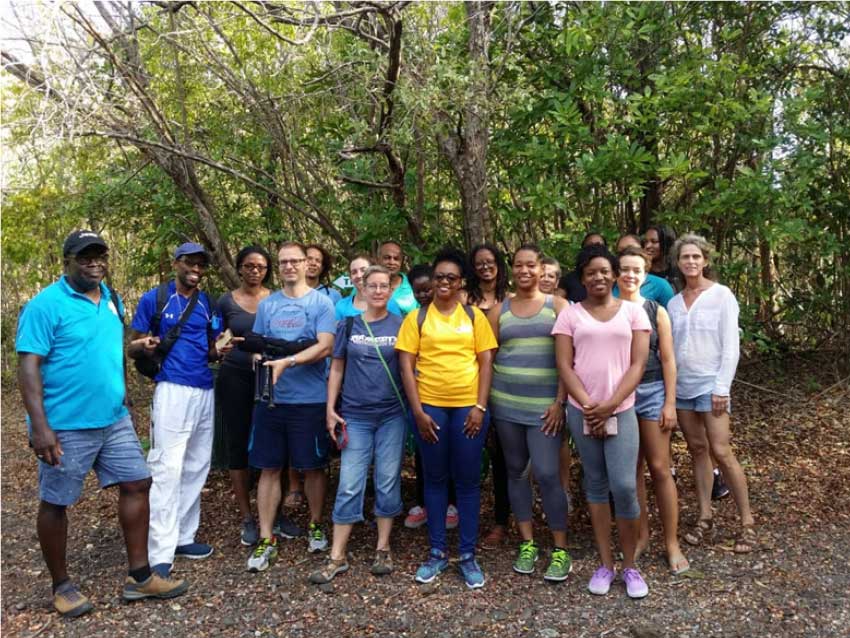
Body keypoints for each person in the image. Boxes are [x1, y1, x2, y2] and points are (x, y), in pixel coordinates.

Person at [16, 230, 188, 617]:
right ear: (67, 261)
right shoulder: (45, 306)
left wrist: (124, 391)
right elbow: (28, 366)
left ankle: (140, 577)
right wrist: (40, 427)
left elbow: (111, 348)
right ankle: (62, 586)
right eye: (85, 257)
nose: (94, 263)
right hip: (66, 423)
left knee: (138, 482)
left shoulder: (111, 298)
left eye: (100, 256)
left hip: (113, 418)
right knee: (57, 501)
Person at [553, 243, 652, 599]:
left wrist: (609, 405)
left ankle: (630, 566)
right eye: (590, 272)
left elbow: (638, 364)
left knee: (624, 487)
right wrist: (588, 404)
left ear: (614, 276)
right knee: (595, 485)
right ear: (582, 278)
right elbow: (564, 365)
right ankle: (605, 564)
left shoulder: (634, 313)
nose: (598, 277)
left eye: (604, 271)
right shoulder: (570, 315)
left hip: (621, 410)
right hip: (582, 410)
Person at [397, 247, 498, 589]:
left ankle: (467, 555)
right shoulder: (417, 318)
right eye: (439, 276)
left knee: (468, 482)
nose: (443, 282)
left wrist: (480, 407)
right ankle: (437, 552)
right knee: (435, 479)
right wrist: (418, 412)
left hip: (469, 409)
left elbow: (486, 361)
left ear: (461, 282)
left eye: (451, 278)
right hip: (430, 408)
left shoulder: (474, 316)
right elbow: (406, 367)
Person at [129, 242, 229, 576]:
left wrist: (222, 350)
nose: (196, 269)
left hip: (204, 388)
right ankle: (159, 551)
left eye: (201, 264)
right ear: (176, 264)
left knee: (197, 464)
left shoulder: (207, 303)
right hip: (172, 388)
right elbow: (133, 346)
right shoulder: (155, 298)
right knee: (166, 467)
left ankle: (184, 536)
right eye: (190, 263)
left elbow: (211, 348)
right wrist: (144, 345)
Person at [309, 266, 407, 583]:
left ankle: (383, 547)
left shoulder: (402, 324)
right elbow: (337, 367)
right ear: (361, 288)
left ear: (391, 290)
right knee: (350, 482)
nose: (378, 291)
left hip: (392, 414)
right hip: (355, 415)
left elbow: (409, 369)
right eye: (372, 286)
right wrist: (330, 408)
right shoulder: (349, 323)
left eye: (384, 286)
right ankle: (337, 555)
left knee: (387, 479)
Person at [245, 242, 336, 572]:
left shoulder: (321, 303)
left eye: (294, 261)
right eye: (283, 262)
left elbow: (325, 346)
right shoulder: (268, 305)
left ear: (305, 263)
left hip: (310, 399)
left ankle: (315, 524)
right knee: (269, 467)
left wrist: (289, 361)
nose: (289, 266)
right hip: (272, 400)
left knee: (313, 466)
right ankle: (266, 537)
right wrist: (259, 358)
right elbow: (258, 343)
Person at [489, 245, 572, 582]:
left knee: (548, 473)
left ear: (541, 268)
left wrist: (560, 402)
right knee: (515, 472)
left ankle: (560, 548)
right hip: (506, 404)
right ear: (512, 269)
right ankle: (527, 543)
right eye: (518, 265)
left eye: (530, 265)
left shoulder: (559, 307)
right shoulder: (499, 310)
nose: (524, 271)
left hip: (545, 409)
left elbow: (568, 360)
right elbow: (489, 358)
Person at [668, 234, 756, 553]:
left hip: (711, 385)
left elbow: (731, 346)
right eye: (685, 257)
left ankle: (747, 522)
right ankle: (705, 517)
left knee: (721, 449)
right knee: (697, 449)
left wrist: (722, 387)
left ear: (705, 260)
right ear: (678, 262)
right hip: (683, 388)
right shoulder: (674, 303)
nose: (691, 261)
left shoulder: (722, 295)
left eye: (696, 256)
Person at [218, 245, 298, 547]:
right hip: (235, 377)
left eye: (261, 267)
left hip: (271, 377)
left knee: (275, 444)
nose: (255, 271)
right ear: (239, 268)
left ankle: (276, 513)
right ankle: (248, 517)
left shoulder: (277, 300)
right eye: (249, 266)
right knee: (238, 445)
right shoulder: (226, 301)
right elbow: (217, 338)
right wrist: (220, 345)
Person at [616, 246, 689, 574]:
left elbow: (669, 359)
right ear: (616, 273)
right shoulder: (610, 309)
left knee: (660, 468)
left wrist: (670, 402)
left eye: (636, 270)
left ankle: (671, 542)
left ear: (645, 275)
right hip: (621, 396)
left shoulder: (655, 310)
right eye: (624, 269)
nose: (630, 275)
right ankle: (641, 535)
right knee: (631, 472)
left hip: (652, 392)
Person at [404, 264, 460, 531]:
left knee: (451, 452)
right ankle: (425, 504)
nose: (424, 294)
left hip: (453, 397)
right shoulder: (414, 318)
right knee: (424, 453)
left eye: (427, 289)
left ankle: (451, 504)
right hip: (421, 396)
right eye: (418, 291)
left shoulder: (460, 314)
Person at [466, 244, 512, 549]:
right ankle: (464, 517)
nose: (485, 267)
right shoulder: (463, 300)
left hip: (504, 385)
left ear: (499, 264)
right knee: (468, 453)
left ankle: (501, 521)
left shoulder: (510, 300)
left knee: (502, 457)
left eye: (490, 262)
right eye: (479, 263)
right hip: (468, 384)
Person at [612, 234, 674, 307]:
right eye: (622, 251)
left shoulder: (661, 285)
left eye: (632, 249)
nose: (628, 253)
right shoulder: (610, 284)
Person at [563, 232, 607, 303]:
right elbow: (556, 302)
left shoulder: (617, 277)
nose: (595, 248)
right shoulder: (569, 279)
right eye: (590, 245)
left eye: (598, 244)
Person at [378, 240, 419, 315]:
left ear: (401, 261)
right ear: (378, 259)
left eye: (396, 259)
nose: (391, 262)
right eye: (387, 258)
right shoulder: (366, 285)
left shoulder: (413, 285)